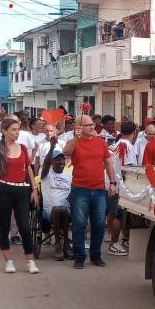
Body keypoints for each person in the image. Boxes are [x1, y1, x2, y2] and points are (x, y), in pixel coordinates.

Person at [0, 118, 40, 274]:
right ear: (4, 131)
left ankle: (30, 261)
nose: (17, 133)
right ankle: (8, 260)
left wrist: (34, 189)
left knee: (24, 226)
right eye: (14, 130)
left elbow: (28, 169)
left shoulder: (22, 148)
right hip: (3, 189)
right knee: (4, 225)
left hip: (22, 190)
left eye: (18, 129)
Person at [63, 114, 117, 269]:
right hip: (80, 189)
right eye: (88, 125)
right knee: (79, 224)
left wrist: (112, 183)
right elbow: (66, 152)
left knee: (99, 224)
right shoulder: (75, 142)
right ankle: (79, 257)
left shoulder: (100, 142)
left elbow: (108, 163)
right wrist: (76, 138)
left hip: (99, 189)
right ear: (79, 127)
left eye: (92, 124)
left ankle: (95, 255)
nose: (93, 127)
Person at [107, 121, 137, 256]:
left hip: (114, 184)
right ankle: (114, 244)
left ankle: (124, 240)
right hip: (122, 186)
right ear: (134, 133)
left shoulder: (117, 144)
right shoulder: (127, 145)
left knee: (118, 214)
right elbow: (130, 168)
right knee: (118, 215)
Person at [40, 149, 72, 261]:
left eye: (62, 159)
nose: (61, 161)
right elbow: (45, 165)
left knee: (62, 209)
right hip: (49, 212)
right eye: (57, 159)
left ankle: (63, 244)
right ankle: (61, 243)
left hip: (67, 212)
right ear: (51, 162)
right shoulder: (46, 174)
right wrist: (52, 146)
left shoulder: (69, 176)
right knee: (57, 209)